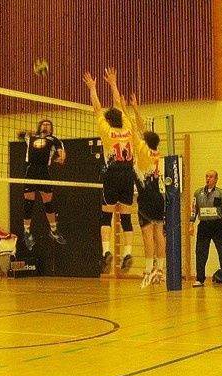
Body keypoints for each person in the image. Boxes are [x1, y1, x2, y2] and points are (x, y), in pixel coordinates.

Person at [83, 67, 135, 272]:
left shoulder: (107, 130)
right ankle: (128, 252)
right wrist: (113, 83)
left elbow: (97, 109)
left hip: (113, 174)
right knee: (126, 217)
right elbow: (119, 105)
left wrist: (92, 88)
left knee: (106, 217)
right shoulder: (128, 128)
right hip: (128, 174)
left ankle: (106, 252)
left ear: (109, 121)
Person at [127, 93, 166, 288]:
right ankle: (160, 271)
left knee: (147, 236)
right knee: (159, 234)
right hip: (158, 197)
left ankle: (149, 271)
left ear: (145, 141)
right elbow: (143, 130)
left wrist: (126, 109)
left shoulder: (142, 150)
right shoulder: (154, 151)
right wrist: (136, 108)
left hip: (146, 198)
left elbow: (134, 129)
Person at [19, 119, 67, 250]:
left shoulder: (54, 140)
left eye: (48, 125)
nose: (46, 126)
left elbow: (61, 152)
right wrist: (31, 131)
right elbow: (20, 134)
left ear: (51, 129)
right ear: (40, 126)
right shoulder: (31, 137)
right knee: (29, 202)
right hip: (31, 171)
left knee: (48, 203)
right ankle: (27, 232)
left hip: (44, 171)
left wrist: (62, 158)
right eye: (44, 124)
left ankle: (54, 229)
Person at [189, 170, 222, 288]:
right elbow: (194, 209)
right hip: (204, 225)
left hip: (217, 225)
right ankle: (200, 279)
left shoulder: (220, 193)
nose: (208, 178)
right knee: (200, 252)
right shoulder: (198, 193)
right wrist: (191, 223)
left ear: (216, 179)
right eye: (207, 176)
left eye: (211, 176)